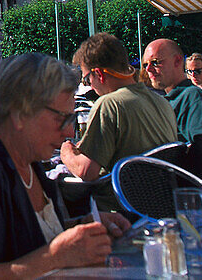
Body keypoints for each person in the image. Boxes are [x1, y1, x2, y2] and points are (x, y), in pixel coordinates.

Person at [0, 52, 130, 278]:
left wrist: (82, 225)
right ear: (20, 113)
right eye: (61, 118)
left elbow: (27, 240)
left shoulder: (28, 164)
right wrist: (56, 256)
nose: (70, 132)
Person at [61, 33, 178, 210]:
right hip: (160, 207)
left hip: (119, 209)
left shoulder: (109, 104)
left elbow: (87, 172)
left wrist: (66, 153)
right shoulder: (161, 102)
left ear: (99, 74)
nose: (89, 86)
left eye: (86, 79)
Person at [142, 39, 202, 140]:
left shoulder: (194, 97)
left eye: (155, 62)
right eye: (145, 64)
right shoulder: (162, 102)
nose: (148, 69)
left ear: (177, 61)